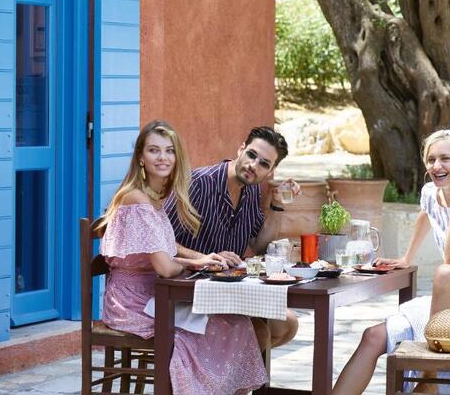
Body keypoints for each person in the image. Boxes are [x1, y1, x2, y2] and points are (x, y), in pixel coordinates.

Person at [332, 129, 450, 395]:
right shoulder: (431, 192)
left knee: (445, 273)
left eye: (445, 158)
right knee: (372, 336)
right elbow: (426, 215)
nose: (436, 166)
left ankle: (429, 378)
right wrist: (406, 257)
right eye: (431, 160)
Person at [99, 120, 267, 395]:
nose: (163, 157)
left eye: (169, 151)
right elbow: (165, 269)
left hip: (152, 294)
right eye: (154, 150)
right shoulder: (137, 200)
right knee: (220, 328)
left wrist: (199, 261)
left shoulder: (154, 199)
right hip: (133, 302)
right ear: (140, 157)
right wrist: (196, 262)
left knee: (236, 323)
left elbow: (163, 256)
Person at [165, 125, 300, 349]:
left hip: (229, 291)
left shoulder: (252, 189)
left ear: (270, 171)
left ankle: (224, 368)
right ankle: (219, 368)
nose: (253, 165)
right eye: (251, 155)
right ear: (241, 149)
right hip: (188, 291)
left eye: (263, 164)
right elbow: (160, 239)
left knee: (287, 324)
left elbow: (259, 246)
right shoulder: (199, 182)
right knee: (258, 334)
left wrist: (276, 205)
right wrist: (204, 258)